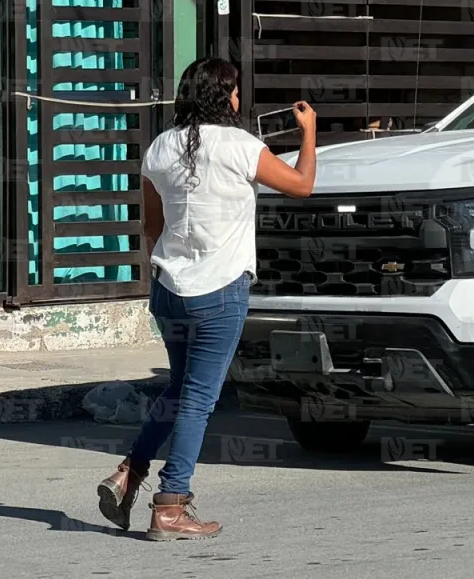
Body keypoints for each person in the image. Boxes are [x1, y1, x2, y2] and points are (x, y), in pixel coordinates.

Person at [95, 57, 319, 541]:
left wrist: (168, 266)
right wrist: (308, 132)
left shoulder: (159, 148)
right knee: (198, 399)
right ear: (224, 97)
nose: (240, 100)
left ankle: (130, 473)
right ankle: (172, 503)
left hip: (169, 289)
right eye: (235, 92)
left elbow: (151, 226)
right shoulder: (241, 145)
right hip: (220, 292)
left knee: (178, 391)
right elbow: (302, 185)